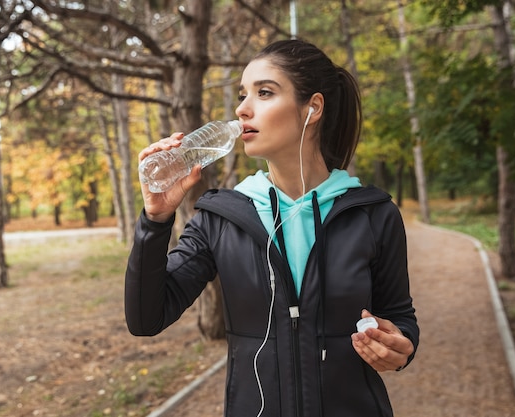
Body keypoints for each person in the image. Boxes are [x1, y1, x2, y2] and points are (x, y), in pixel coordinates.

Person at [125, 39, 419, 417]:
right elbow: (146, 319)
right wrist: (155, 220)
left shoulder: (373, 214)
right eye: (242, 94)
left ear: (312, 108)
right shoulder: (221, 217)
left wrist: (400, 346)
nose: (242, 109)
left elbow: (400, 316)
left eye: (264, 93)